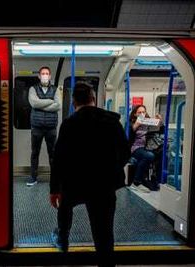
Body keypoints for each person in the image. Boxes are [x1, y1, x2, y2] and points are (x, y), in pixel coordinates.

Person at [50, 83, 130, 267]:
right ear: (93, 99)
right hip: (103, 186)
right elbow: (125, 152)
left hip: (75, 183)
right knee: (103, 233)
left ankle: (63, 238)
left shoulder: (69, 124)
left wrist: (55, 189)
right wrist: (111, 170)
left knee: (65, 207)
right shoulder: (112, 122)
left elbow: (59, 159)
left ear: (73, 102)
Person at [27, 66, 61, 186]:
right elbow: (34, 103)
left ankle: (55, 179)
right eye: (43, 73)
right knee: (35, 153)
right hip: (37, 127)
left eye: (47, 73)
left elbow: (58, 106)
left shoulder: (56, 90)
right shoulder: (33, 89)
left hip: (51, 128)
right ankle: (33, 177)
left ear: (50, 76)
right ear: (39, 76)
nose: (45, 75)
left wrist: (41, 105)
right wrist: (50, 101)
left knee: (53, 154)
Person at [128, 105, 164, 192]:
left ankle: (156, 180)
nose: (142, 114)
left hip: (148, 146)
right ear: (135, 114)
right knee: (149, 156)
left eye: (143, 112)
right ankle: (136, 182)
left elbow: (161, 131)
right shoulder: (131, 123)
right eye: (139, 112)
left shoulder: (148, 122)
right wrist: (135, 126)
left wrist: (160, 122)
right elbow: (128, 137)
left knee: (162, 153)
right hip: (135, 147)